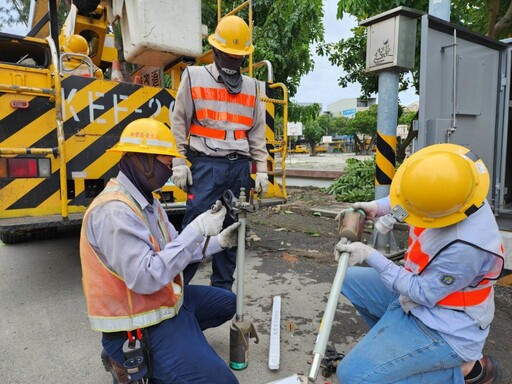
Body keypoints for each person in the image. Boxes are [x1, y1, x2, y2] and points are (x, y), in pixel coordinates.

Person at [79, 118, 240, 384]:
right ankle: (132, 360)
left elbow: (176, 248)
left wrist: (219, 242)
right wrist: (197, 228)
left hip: (165, 304)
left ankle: (183, 343)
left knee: (227, 302)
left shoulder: (148, 201)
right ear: (143, 161)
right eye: (167, 165)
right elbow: (145, 277)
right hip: (135, 327)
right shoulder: (114, 212)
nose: (169, 172)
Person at [334, 143, 504, 384]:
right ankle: (396, 357)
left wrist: (370, 256)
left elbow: (422, 293)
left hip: (445, 324)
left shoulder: (466, 247)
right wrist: (375, 208)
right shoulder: (458, 193)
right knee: (347, 279)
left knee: (353, 377)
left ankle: (465, 371)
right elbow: (409, 200)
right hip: (412, 298)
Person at [171, 15, 268, 290]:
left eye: (238, 57)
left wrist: (261, 169)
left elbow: (257, 133)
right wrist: (179, 162)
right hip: (206, 167)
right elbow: (178, 123)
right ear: (214, 51)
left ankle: (222, 292)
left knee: (232, 229)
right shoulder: (194, 77)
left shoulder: (252, 87)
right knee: (195, 229)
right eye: (228, 56)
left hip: (239, 169)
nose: (233, 62)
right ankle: (174, 290)